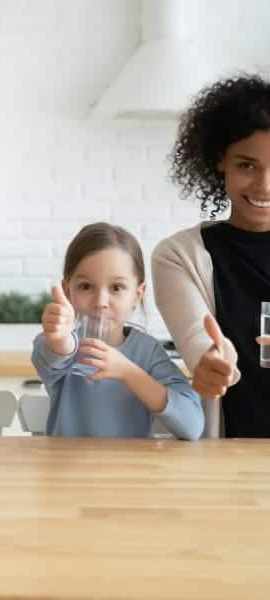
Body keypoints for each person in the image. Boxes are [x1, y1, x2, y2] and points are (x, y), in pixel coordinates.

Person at [152, 74, 270, 438]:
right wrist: (212, 363)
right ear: (221, 161)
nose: (265, 185)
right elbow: (197, 341)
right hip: (228, 460)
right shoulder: (179, 256)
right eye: (246, 165)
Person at [32, 222, 203, 440]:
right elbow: (57, 353)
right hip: (69, 471)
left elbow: (192, 425)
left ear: (137, 295)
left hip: (129, 472)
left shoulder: (147, 352)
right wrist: (59, 339)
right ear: (68, 292)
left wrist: (128, 372)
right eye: (86, 286)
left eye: (117, 288)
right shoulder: (57, 344)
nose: (101, 302)